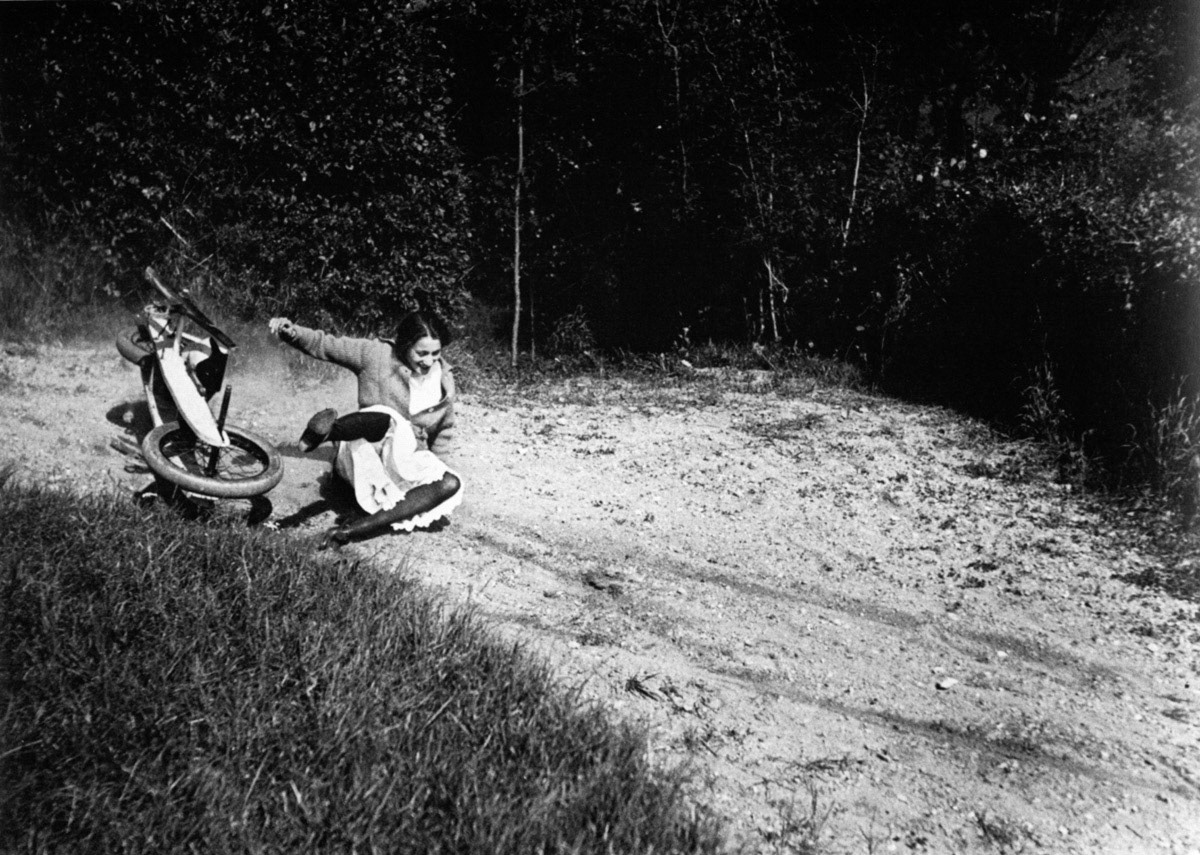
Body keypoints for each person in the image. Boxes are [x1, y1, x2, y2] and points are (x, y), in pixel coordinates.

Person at [268, 311, 462, 546]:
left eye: (435, 353)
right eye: (421, 353)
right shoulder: (376, 354)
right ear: (404, 345)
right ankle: (327, 433)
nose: (429, 361)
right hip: (361, 448)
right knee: (389, 418)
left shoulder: (444, 379)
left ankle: (351, 531)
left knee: (450, 482)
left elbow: (444, 431)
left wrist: (434, 476)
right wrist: (292, 332)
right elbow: (325, 344)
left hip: (401, 460)